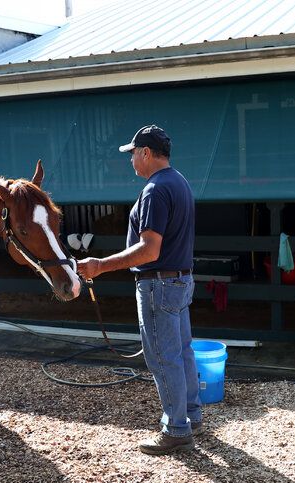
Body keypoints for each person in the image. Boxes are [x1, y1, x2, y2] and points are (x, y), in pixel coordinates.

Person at [77, 124, 202, 455]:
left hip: (158, 283)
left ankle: (176, 429)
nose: (131, 159)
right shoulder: (180, 182)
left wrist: (100, 265)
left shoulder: (154, 190)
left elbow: (149, 250)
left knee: (162, 356)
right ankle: (190, 414)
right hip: (180, 280)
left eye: (133, 153)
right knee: (182, 350)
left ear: (147, 153)